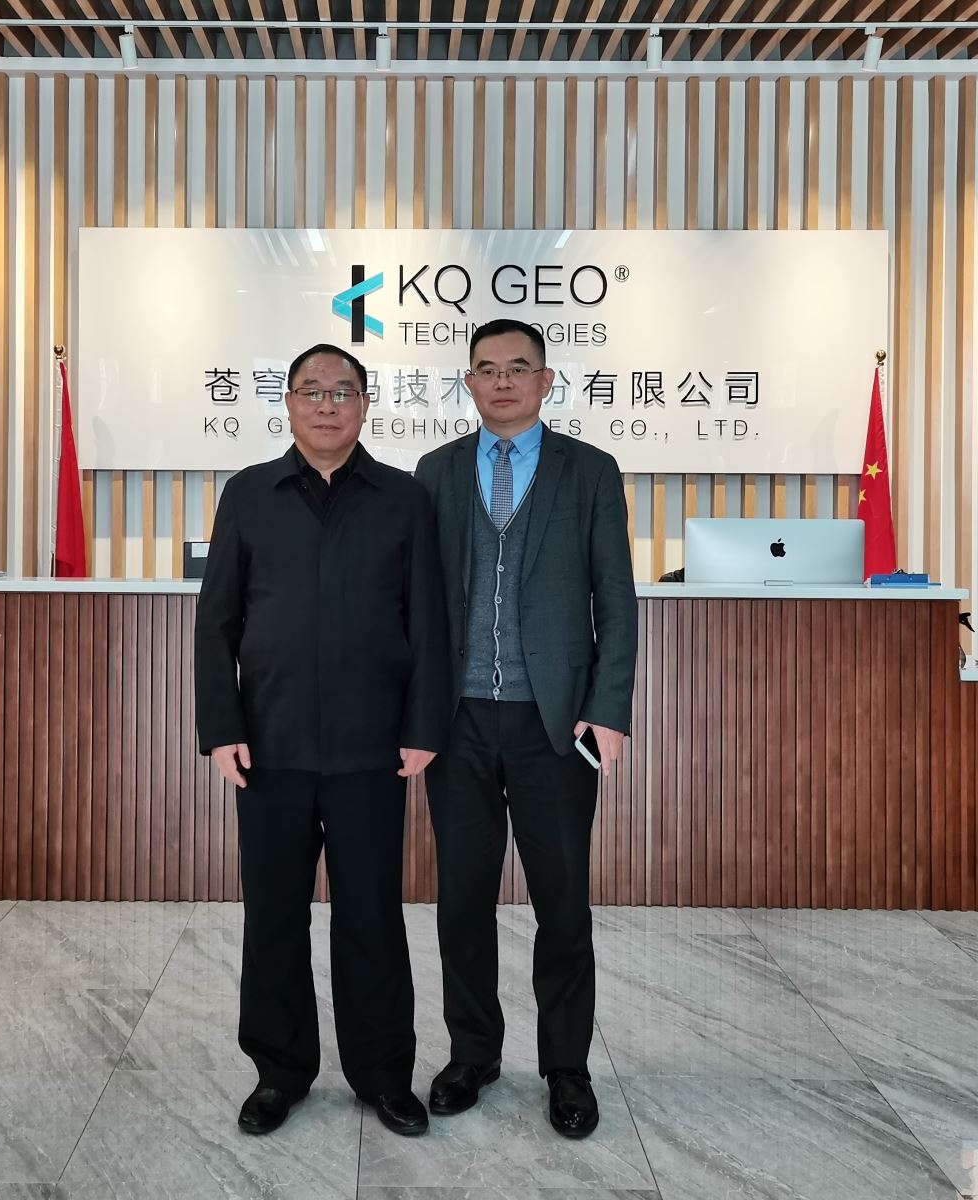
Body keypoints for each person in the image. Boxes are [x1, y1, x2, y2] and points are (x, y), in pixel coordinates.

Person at [195, 343, 449, 1137]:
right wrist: (221, 728)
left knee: (371, 917)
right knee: (274, 915)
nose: (328, 404)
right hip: (268, 748)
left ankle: (383, 1075)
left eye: (343, 391)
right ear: (289, 404)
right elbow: (217, 620)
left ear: (366, 404)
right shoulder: (249, 494)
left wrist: (423, 727)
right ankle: (279, 1073)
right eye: (312, 391)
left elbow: (429, 621)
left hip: (373, 749)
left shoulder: (404, 499)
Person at [412, 318, 638, 1139]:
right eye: (486, 368)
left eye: (518, 367)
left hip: (556, 725)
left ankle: (566, 1067)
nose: (501, 381)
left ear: (546, 381)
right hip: (459, 722)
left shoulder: (590, 470)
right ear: (468, 383)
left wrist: (608, 708)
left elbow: (616, 599)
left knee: (563, 903)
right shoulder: (435, 472)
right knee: (462, 902)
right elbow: (414, 604)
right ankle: (472, 1054)